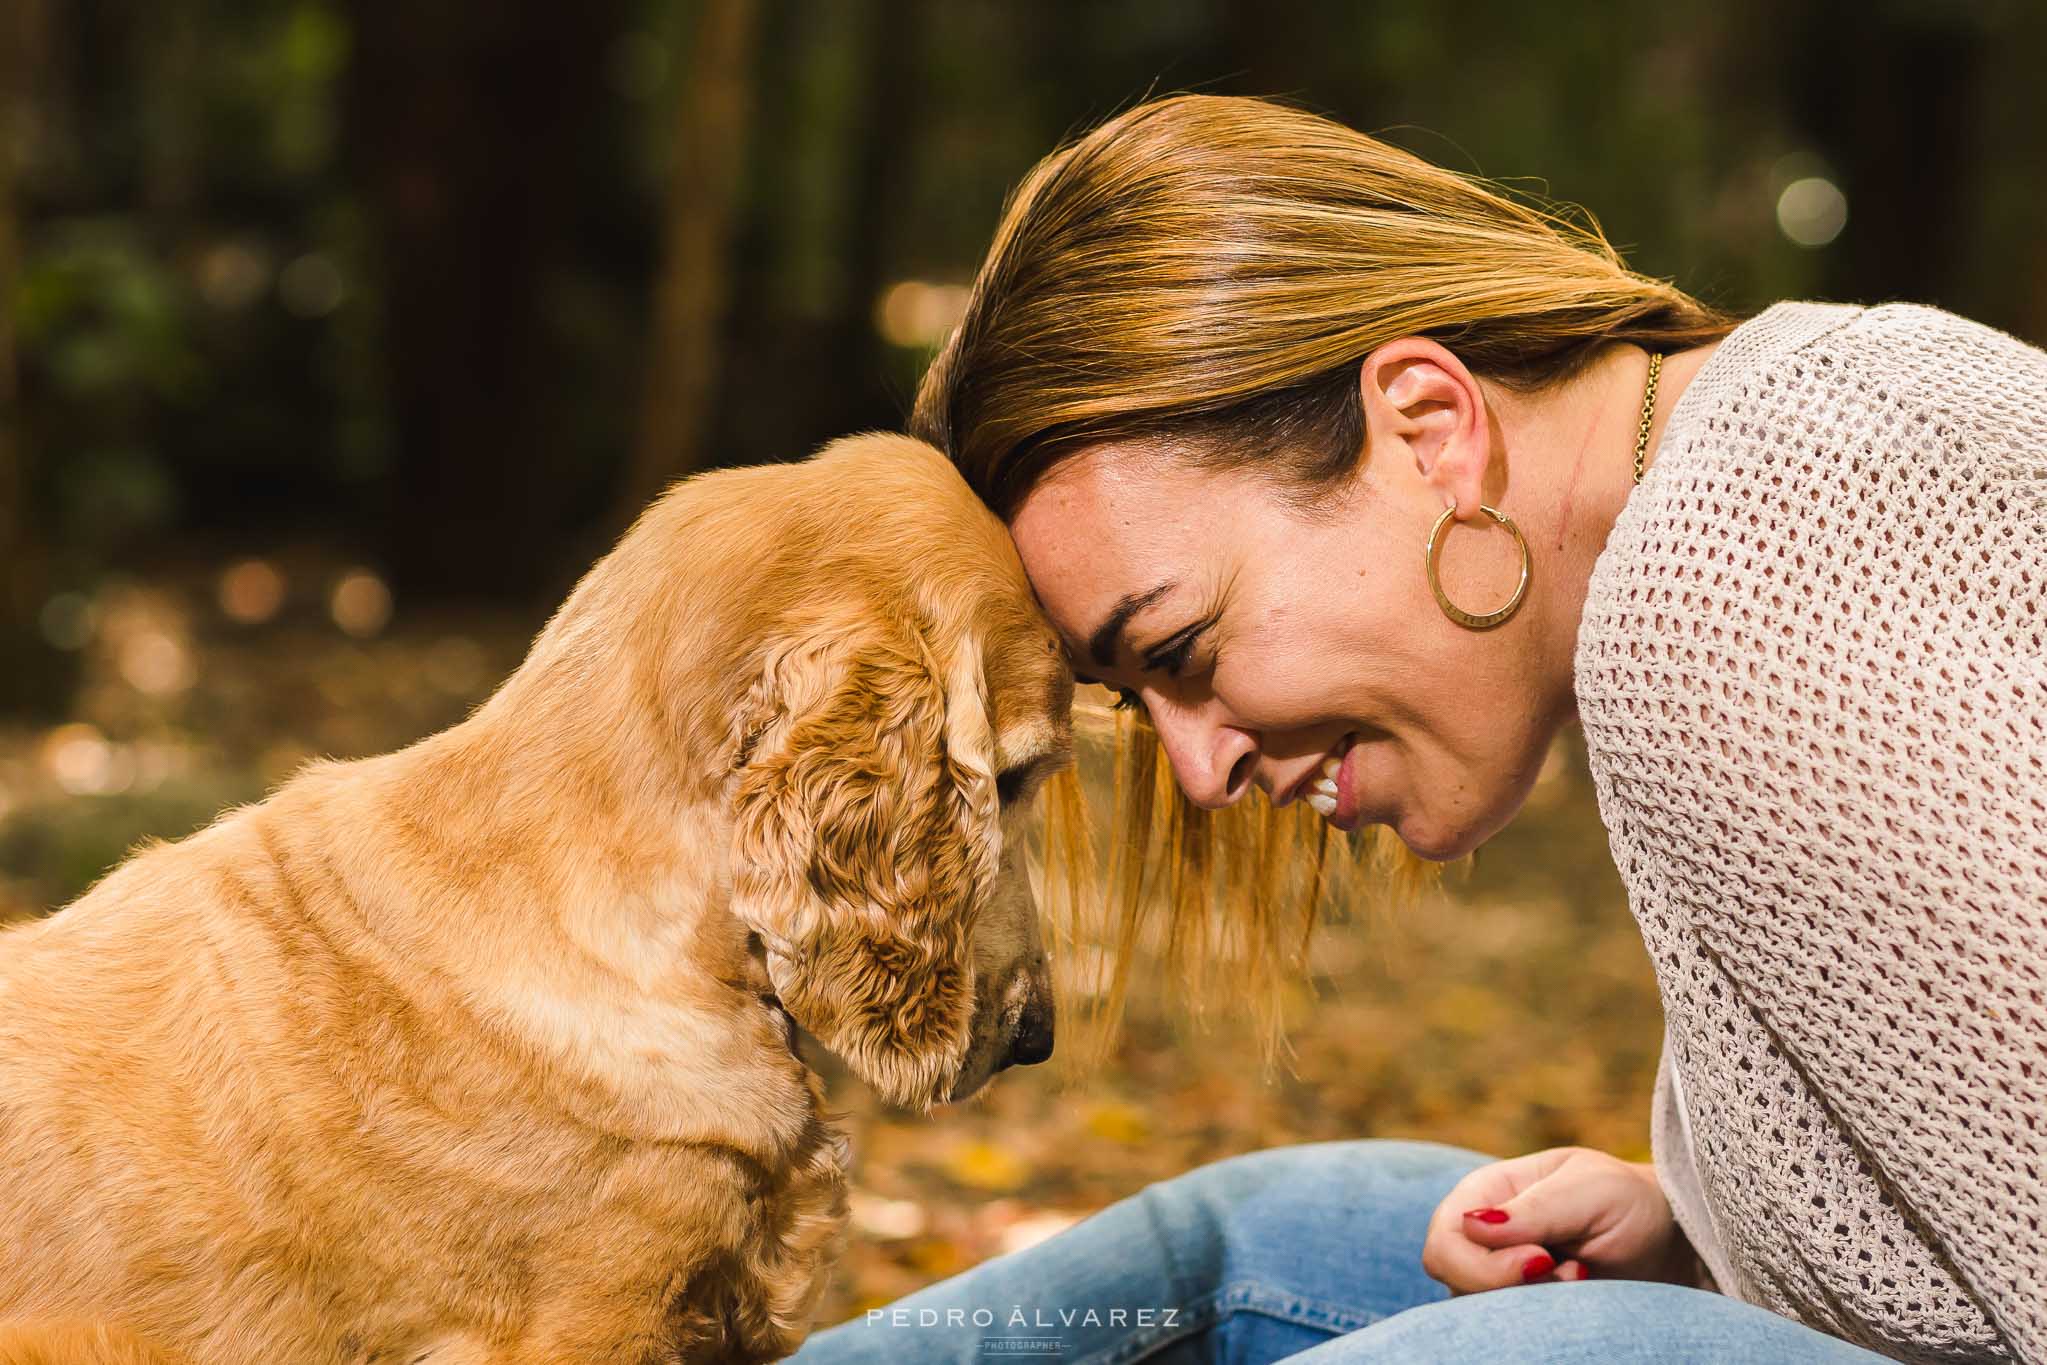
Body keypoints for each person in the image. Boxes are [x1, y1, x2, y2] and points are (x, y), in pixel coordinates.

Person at [793, 95, 2047, 1364]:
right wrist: (1701, 1237)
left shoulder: (1724, 597)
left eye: (1181, 650)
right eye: (1138, 697)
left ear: (1429, 431)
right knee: (1250, 1243)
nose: (1197, 769)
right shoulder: (1809, 403)